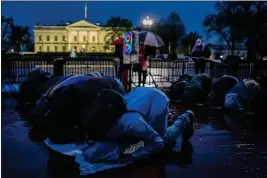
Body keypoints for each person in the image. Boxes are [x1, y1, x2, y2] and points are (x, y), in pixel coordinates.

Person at [45, 87, 195, 174]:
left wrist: (133, 152)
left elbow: (157, 143)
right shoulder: (97, 120)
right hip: (139, 99)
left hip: (156, 101)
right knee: (141, 136)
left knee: (164, 139)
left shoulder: (131, 123)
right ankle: (163, 124)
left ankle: (186, 117)